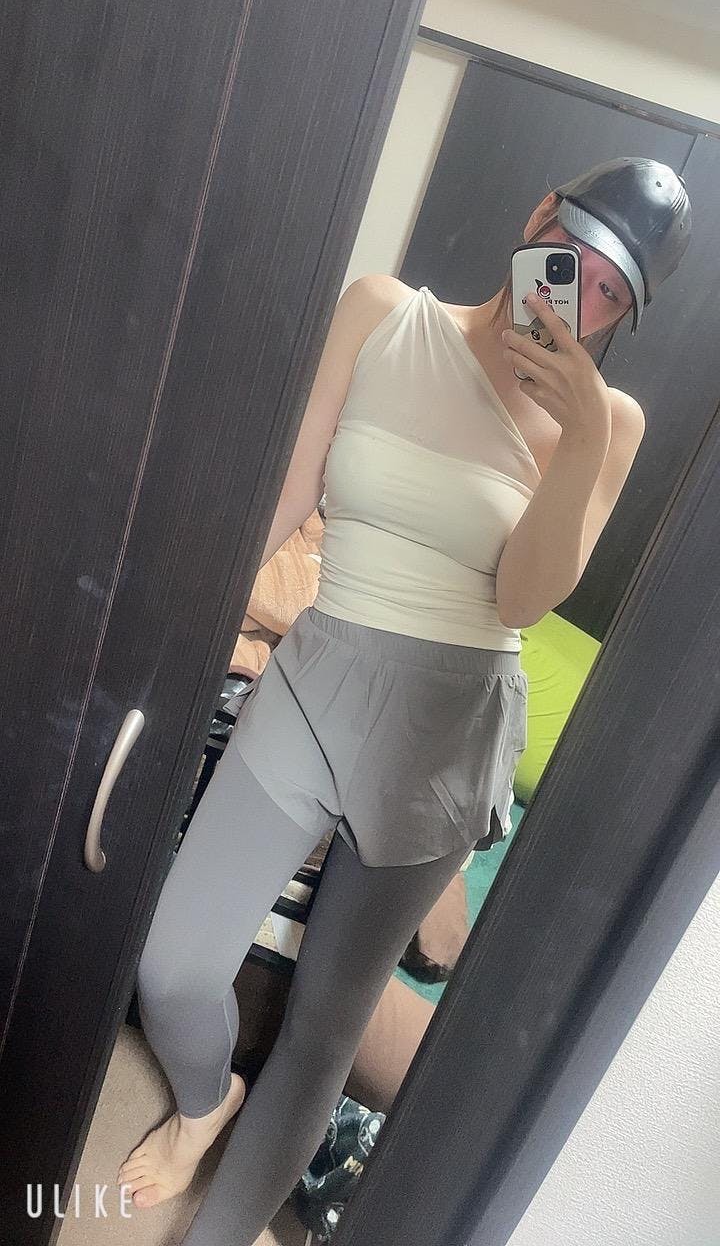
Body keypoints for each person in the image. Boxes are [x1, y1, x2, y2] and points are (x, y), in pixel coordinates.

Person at [116, 157, 691, 1244]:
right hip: (319, 674)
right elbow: (290, 491)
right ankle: (205, 1102)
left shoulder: (610, 421)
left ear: (628, 313)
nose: (581, 297)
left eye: (614, 292)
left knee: (323, 1031)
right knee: (173, 965)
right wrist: (178, 628)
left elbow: (522, 595)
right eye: (576, 258)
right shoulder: (384, 313)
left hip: (449, 726)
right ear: (541, 214)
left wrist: (577, 442)